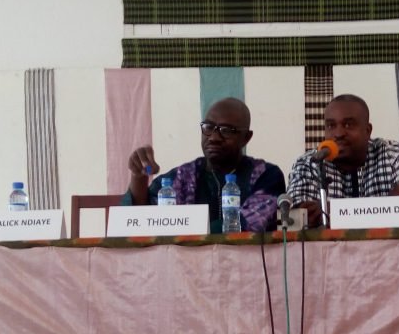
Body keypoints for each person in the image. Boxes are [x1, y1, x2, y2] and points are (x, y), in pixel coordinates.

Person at [122, 97, 285, 233]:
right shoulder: (184, 177)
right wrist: (138, 178)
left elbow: (249, 224)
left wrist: (186, 228)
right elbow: (137, 223)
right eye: (208, 127)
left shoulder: (266, 175)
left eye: (226, 130)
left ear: (246, 138)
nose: (213, 137)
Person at [287, 94, 399, 227]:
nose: (338, 133)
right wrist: (388, 205)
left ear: (367, 131)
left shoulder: (394, 155)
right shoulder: (310, 162)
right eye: (331, 125)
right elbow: (296, 219)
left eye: (348, 125)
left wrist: (329, 210)